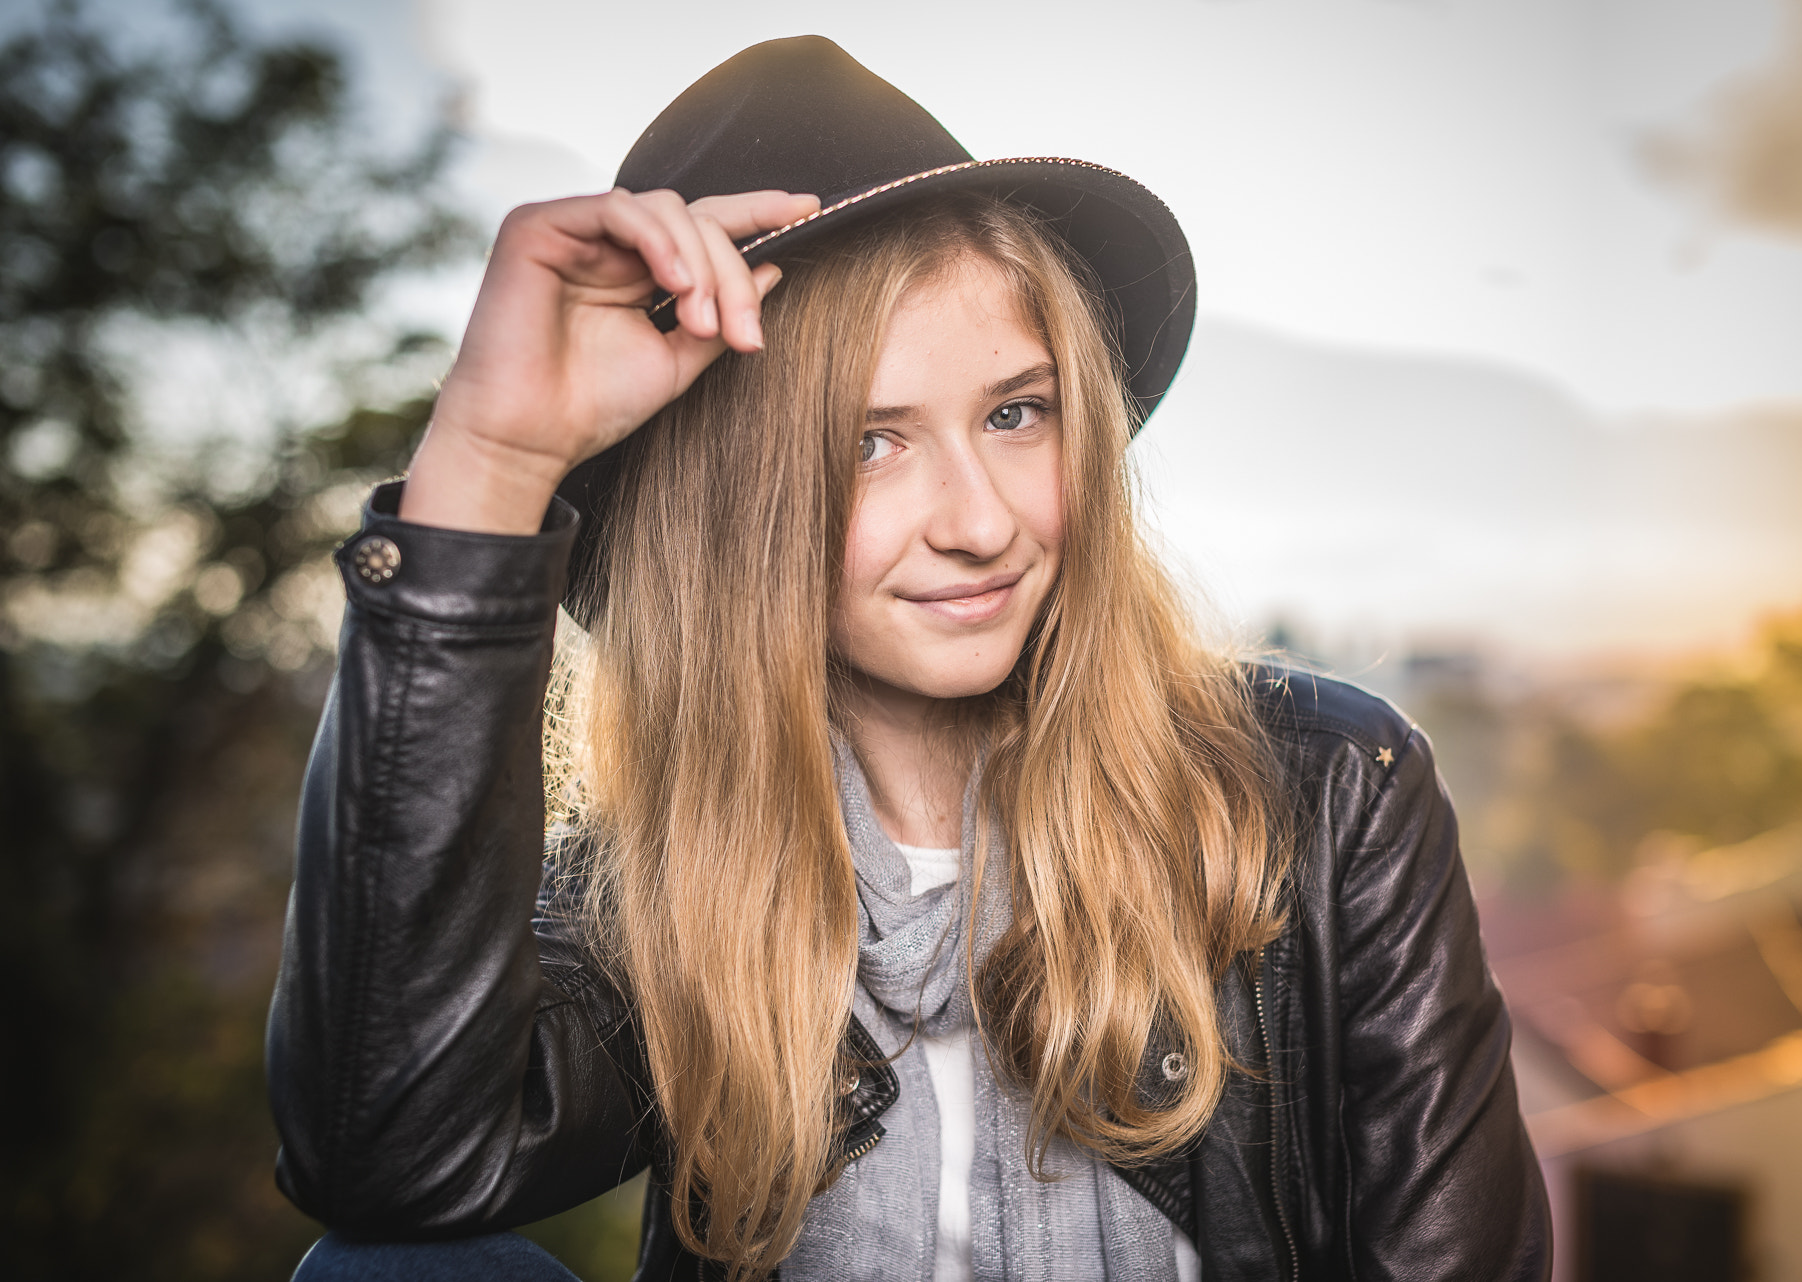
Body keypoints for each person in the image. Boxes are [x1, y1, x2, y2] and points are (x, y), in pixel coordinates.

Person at [268, 35, 1550, 1282]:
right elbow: (386, 1163)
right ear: (737, 508)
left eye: (1015, 412)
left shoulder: (1327, 797)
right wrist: (486, 465)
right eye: (872, 442)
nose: (983, 521)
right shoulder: (661, 886)